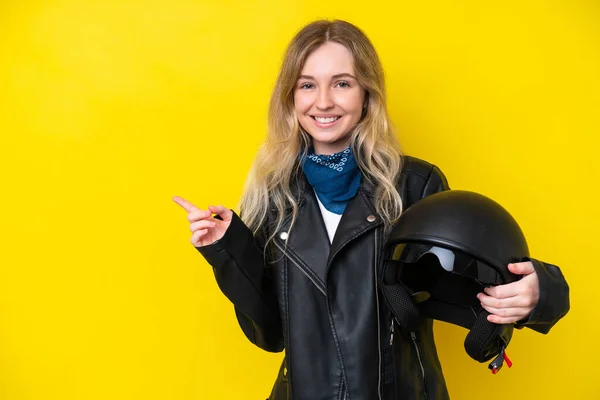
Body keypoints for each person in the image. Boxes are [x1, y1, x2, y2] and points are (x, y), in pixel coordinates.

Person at [173, 19, 569, 400]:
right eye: (307, 85)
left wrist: (537, 293)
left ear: (367, 94)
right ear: (291, 98)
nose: (323, 101)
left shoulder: (417, 183)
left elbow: (473, 286)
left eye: (341, 84)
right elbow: (270, 335)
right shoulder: (272, 196)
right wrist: (227, 250)